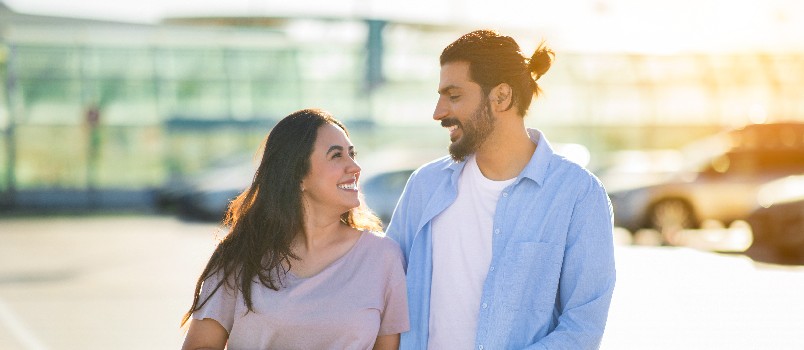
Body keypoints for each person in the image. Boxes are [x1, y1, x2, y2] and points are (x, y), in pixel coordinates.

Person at [386, 30, 616, 349]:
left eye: (453, 96)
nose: (438, 112)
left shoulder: (578, 194)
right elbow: (385, 291)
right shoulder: (425, 185)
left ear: (501, 97)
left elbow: (583, 326)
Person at [181, 109, 409, 350]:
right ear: (297, 175)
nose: (354, 167)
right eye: (336, 156)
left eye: (352, 154)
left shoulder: (383, 257)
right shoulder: (241, 255)